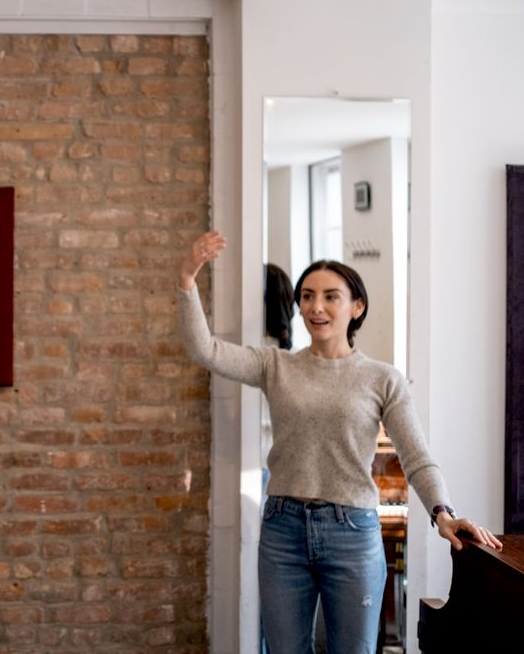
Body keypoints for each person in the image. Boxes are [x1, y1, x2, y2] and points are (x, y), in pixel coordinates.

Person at [177, 230, 501, 654]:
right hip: (282, 530)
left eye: (331, 296)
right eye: (308, 296)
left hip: (352, 532)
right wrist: (186, 278)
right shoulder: (275, 366)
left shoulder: (383, 379)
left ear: (356, 306)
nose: (316, 307)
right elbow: (206, 350)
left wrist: (443, 513)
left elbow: (417, 457)